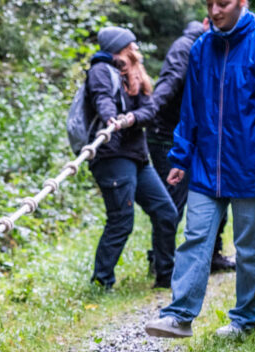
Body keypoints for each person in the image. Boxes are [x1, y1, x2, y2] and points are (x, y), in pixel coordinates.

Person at [145, 0, 255, 339]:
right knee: (195, 237)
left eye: (222, 3)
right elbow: (191, 108)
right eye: (209, 3)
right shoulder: (201, 47)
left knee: (250, 249)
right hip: (206, 166)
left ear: (242, 1)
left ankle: (246, 320)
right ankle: (179, 316)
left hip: (252, 168)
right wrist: (181, 157)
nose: (214, 10)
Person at [85, 26, 179, 290]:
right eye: (131, 44)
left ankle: (165, 275)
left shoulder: (135, 75)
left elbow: (150, 110)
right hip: (112, 156)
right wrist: (111, 118)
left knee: (166, 212)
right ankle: (102, 283)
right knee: (121, 221)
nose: (136, 48)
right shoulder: (101, 71)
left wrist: (133, 118)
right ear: (119, 47)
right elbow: (102, 99)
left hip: (137, 156)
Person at [148, 20, 236, 274]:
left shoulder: (220, 47)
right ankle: (160, 263)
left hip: (201, 139)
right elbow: (171, 79)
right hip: (167, 136)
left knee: (217, 194)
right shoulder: (186, 46)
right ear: (207, 22)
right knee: (172, 202)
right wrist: (151, 108)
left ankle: (212, 256)